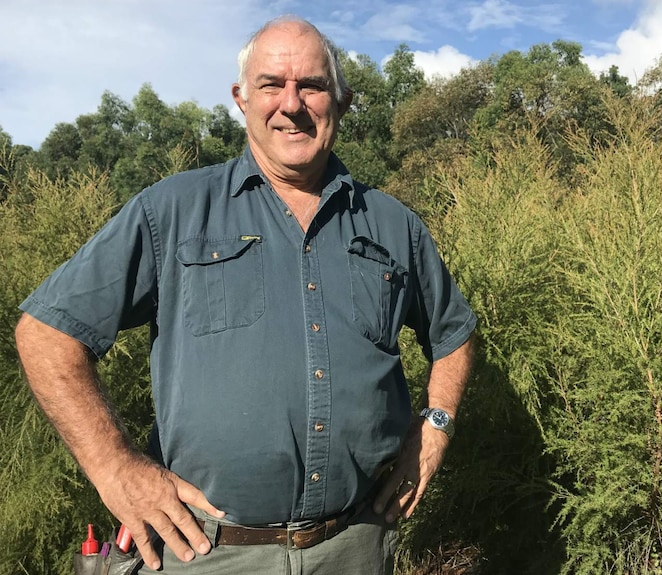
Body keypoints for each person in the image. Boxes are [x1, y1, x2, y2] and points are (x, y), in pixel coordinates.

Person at [15, 15, 476, 575]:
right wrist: (116, 468)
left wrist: (435, 429)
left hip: (354, 547)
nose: (291, 103)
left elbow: (454, 334)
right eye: (271, 85)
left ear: (342, 99)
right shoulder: (174, 211)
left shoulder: (391, 224)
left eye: (310, 85)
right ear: (241, 98)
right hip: (209, 551)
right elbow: (46, 332)